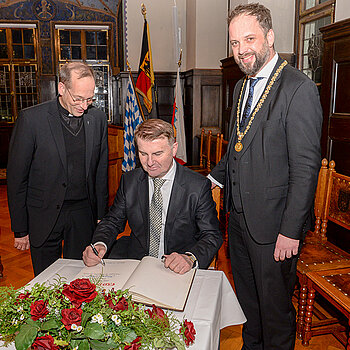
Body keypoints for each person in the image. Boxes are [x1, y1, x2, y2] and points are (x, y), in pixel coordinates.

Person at [208, 3, 322, 350]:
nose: (241, 51)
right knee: (249, 307)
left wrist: (290, 231)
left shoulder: (298, 89)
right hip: (240, 223)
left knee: (275, 315)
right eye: (234, 43)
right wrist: (210, 182)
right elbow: (236, 149)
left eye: (249, 39)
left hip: (275, 229)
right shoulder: (242, 87)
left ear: (270, 37)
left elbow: (305, 169)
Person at [7, 61, 109, 276]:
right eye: (78, 98)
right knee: (46, 281)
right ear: (62, 88)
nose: (84, 105)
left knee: (80, 278)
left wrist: (102, 216)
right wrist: (21, 228)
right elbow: (17, 178)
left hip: (83, 213)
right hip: (43, 214)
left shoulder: (97, 118)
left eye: (89, 99)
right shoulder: (31, 119)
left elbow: (100, 170)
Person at [83, 119, 222, 274]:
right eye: (143, 154)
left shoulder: (196, 186)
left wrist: (190, 258)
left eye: (157, 153)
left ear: (174, 149)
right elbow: (113, 221)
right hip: (137, 264)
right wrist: (100, 244)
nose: (150, 162)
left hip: (178, 267)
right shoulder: (130, 181)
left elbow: (211, 235)